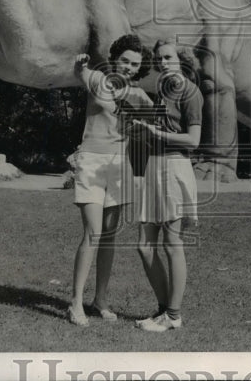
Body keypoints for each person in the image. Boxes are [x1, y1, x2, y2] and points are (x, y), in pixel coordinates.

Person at [68, 34, 153, 327]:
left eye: (134, 64)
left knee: (108, 235)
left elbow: (159, 117)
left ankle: (100, 299)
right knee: (92, 232)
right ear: (115, 58)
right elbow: (80, 72)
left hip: (119, 165)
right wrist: (80, 64)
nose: (128, 67)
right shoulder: (98, 80)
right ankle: (75, 303)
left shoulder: (139, 95)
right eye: (125, 60)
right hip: (91, 161)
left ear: (140, 68)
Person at [131, 40, 202, 332]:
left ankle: (173, 315)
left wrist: (154, 133)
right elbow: (159, 130)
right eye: (159, 58)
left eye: (168, 57)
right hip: (155, 167)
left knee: (172, 244)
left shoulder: (190, 92)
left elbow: (193, 141)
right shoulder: (162, 90)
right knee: (144, 246)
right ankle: (163, 311)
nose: (162, 63)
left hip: (174, 168)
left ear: (181, 59)